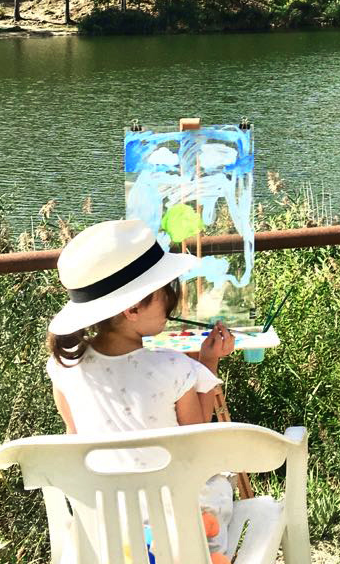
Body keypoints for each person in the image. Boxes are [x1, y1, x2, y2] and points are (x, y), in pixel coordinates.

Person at [46, 218, 237, 563]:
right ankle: (200, 546)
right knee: (220, 488)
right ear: (132, 309)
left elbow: (74, 437)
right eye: (165, 292)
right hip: (172, 505)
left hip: (108, 515)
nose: (171, 302)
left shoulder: (63, 368)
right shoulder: (173, 368)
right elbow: (198, 439)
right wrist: (207, 365)